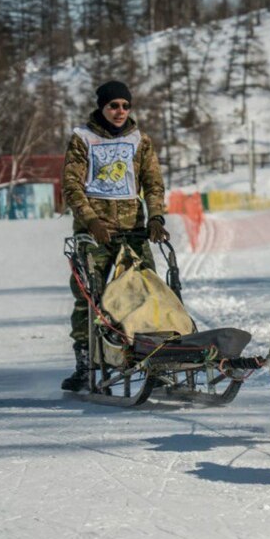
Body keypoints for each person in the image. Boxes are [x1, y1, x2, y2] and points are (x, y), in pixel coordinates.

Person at [60, 80, 169, 391]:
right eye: (113, 106)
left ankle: (154, 358)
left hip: (133, 231)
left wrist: (156, 216)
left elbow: (154, 183)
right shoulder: (83, 139)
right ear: (102, 108)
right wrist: (91, 221)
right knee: (89, 299)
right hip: (94, 234)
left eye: (125, 105)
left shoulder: (140, 140)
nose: (120, 111)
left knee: (149, 294)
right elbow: (71, 186)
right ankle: (86, 363)